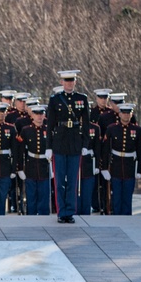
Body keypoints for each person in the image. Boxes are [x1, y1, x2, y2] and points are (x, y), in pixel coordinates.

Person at [46, 70, 90, 223]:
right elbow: (50, 124)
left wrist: (85, 144)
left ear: (75, 82)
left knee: (72, 180)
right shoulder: (55, 99)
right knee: (59, 181)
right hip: (59, 142)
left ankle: (69, 212)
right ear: (62, 82)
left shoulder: (82, 99)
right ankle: (61, 212)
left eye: (72, 80)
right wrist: (48, 146)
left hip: (75, 143)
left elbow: (86, 124)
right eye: (67, 81)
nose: (69, 83)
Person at [100, 103, 141, 215]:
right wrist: (104, 168)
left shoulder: (137, 130)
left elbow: (139, 151)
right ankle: (116, 218)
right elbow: (105, 150)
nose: (126, 115)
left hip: (130, 166)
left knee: (127, 197)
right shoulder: (112, 129)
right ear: (119, 114)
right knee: (117, 196)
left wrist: (139, 169)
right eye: (123, 113)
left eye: (128, 113)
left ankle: (127, 219)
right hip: (116, 166)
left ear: (131, 114)